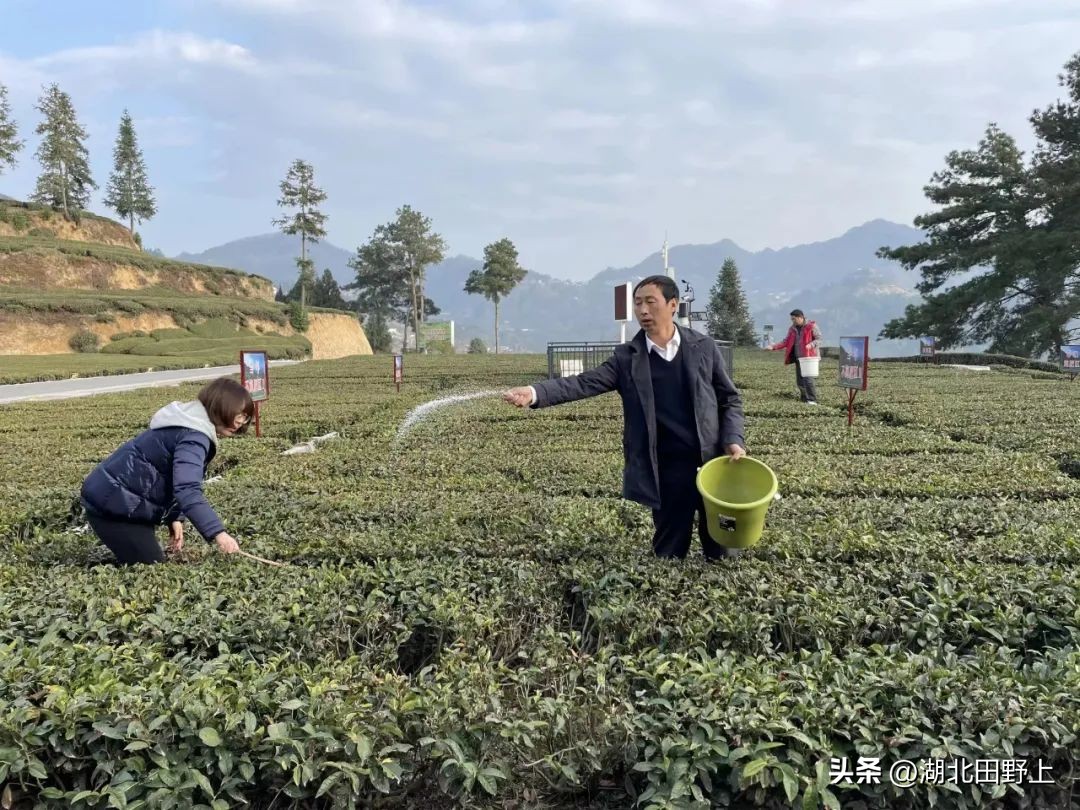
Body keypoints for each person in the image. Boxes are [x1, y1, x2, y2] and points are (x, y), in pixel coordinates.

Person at [503, 275, 746, 560]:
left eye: (650, 302)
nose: (642, 310)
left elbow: (729, 399)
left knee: (723, 551)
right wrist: (534, 393)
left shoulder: (703, 347)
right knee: (668, 553)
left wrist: (733, 439)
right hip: (666, 471)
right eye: (638, 303)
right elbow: (582, 383)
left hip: (712, 465)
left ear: (672, 305)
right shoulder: (626, 358)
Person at [80, 377, 252, 565]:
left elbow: (171, 477)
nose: (241, 422)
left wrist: (174, 517)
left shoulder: (189, 423)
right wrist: (219, 534)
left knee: (149, 561)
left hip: (124, 501)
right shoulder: (195, 437)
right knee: (150, 567)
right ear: (220, 407)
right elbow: (187, 488)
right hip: (112, 506)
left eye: (245, 417)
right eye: (239, 415)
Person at [770, 309, 822, 405]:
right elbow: (786, 341)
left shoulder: (811, 326)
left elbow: (819, 339)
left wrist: (811, 345)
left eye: (794, 319)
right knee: (800, 381)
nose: (792, 321)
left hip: (809, 358)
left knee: (808, 380)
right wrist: (773, 347)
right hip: (799, 358)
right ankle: (804, 399)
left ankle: (812, 400)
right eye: (792, 319)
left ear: (800, 317)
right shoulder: (792, 329)